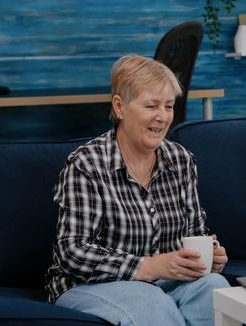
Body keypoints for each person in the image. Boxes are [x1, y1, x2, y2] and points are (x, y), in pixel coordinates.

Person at [45, 55, 230, 326]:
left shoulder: (181, 160)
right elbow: (72, 252)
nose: (163, 116)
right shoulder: (87, 164)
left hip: (165, 281)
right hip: (87, 285)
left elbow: (195, 231)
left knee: (215, 288)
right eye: (151, 106)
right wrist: (148, 266)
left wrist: (208, 254)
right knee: (151, 302)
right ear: (119, 107)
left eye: (168, 106)